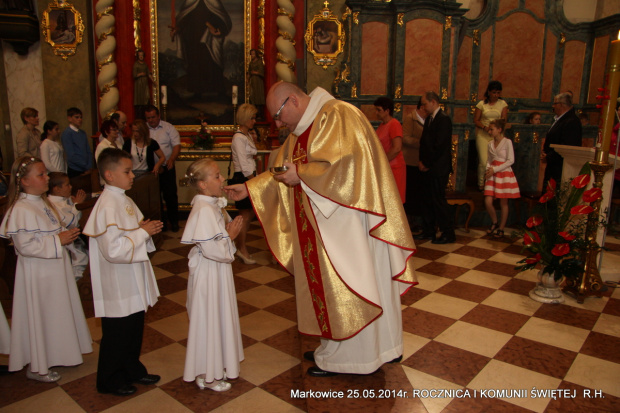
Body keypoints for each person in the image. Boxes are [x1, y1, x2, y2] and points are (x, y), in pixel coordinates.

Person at [225, 81, 417, 377]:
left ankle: (353, 357)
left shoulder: (339, 114)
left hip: (348, 225)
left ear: (292, 100)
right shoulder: (306, 127)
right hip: (328, 224)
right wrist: (249, 189)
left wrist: (301, 173)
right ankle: (378, 347)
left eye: (278, 115)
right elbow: (282, 168)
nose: (278, 123)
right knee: (352, 284)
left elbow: (348, 167)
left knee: (353, 283)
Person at [0, 156, 92, 382]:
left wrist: (64, 237)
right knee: (40, 315)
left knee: (56, 312)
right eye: (41, 174)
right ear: (25, 181)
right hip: (37, 273)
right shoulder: (21, 208)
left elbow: (53, 230)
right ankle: (37, 365)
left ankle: (57, 353)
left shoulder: (42, 202)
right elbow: (25, 246)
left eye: (46, 173)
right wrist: (57, 240)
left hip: (54, 268)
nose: (47, 178)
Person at [83, 148, 163, 396]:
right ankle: (109, 379)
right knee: (117, 333)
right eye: (127, 171)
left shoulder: (125, 199)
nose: (132, 176)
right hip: (117, 281)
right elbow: (113, 250)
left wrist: (144, 231)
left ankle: (132, 368)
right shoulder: (107, 206)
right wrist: (142, 232)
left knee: (134, 327)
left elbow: (134, 233)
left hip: (131, 278)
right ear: (109, 174)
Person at [181, 158, 244, 391]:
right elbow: (212, 248)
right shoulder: (204, 210)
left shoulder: (212, 205)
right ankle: (208, 374)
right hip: (209, 272)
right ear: (203, 185)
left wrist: (228, 234)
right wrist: (231, 237)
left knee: (216, 316)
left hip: (216, 271)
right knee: (208, 318)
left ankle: (213, 368)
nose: (222, 179)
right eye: (216, 176)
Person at [417, 91, 455, 244]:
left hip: (438, 168)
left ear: (433, 102)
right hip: (428, 166)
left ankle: (448, 233)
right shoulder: (429, 119)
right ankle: (429, 230)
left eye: (425, 104)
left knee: (439, 200)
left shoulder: (443, 120)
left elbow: (440, 146)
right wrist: (421, 161)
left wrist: (426, 163)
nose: (423, 107)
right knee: (427, 200)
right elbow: (424, 143)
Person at [174, 0, 232, 98]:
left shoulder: (214, 2)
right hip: (194, 43)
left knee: (213, 64)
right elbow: (185, 18)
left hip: (209, 40)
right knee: (196, 65)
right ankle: (197, 91)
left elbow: (222, 18)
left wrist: (219, 30)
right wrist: (178, 28)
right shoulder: (191, 2)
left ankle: (219, 90)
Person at [145, 105, 181, 232]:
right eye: (148, 118)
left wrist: (172, 158)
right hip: (150, 170)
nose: (151, 120)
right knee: (155, 198)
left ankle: (174, 222)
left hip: (167, 167)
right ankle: (161, 223)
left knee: (170, 196)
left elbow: (176, 145)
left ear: (158, 116)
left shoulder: (168, 127)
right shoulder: (144, 129)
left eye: (153, 117)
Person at [230, 103, 258, 264]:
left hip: (249, 177)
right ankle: (241, 249)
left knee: (249, 215)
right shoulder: (239, 138)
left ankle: (239, 246)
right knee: (245, 216)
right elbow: (244, 164)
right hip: (243, 178)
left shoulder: (246, 135)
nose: (254, 121)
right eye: (252, 118)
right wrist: (254, 180)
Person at [483, 119, 520, 238]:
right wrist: (488, 170)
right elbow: (489, 160)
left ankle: (502, 227)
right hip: (492, 174)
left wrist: (495, 169)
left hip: (504, 173)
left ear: (499, 130)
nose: (490, 131)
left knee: (503, 202)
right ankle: (494, 221)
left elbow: (511, 160)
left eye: (491, 129)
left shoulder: (507, 142)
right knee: (488, 201)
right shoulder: (490, 144)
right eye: (489, 129)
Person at [48, 172, 88, 280]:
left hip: (78, 241)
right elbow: (71, 223)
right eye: (67, 185)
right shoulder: (53, 204)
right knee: (77, 272)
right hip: (69, 246)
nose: (71, 187)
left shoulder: (65, 200)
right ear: (57, 189)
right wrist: (76, 205)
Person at [542, 92, 582, 186]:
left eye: (554, 103)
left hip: (561, 168)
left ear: (561, 105)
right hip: (553, 166)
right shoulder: (561, 119)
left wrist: (549, 156)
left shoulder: (571, 121)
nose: (553, 106)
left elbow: (567, 146)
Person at [474, 81, 508, 190]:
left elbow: (504, 119)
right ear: (489, 92)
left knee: (496, 160)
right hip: (483, 134)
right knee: (484, 161)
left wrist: (496, 127)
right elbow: (476, 120)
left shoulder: (503, 104)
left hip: (496, 136)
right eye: (494, 92)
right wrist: (485, 127)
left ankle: (493, 183)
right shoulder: (481, 104)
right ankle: (481, 183)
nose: (496, 95)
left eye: (498, 93)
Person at [374, 96, 406, 204]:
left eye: (379, 110)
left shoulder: (394, 124)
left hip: (394, 168)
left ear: (387, 111)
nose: (376, 113)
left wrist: (383, 161)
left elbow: (397, 148)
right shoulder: (382, 125)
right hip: (386, 167)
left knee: (393, 201)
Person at [402, 100, 427, 230]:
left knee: (419, 192)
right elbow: (405, 137)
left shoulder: (428, 119)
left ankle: (419, 220)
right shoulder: (410, 118)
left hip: (421, 161)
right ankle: (411, 221)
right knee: (411, 192)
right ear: (422, 107)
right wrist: (422, 142)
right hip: (410, 160)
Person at [61, 107, 93, 178]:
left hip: (86, 168)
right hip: (75, 169)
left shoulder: (82, 133)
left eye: (81, 117)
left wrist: (89, 166)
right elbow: (71, 155)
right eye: (77, 117)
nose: (80, 119)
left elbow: (88, 150)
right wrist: (85, 165)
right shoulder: (67, 133)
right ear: (69, 118)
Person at [133, 50, 152, 118]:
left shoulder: (145, 64)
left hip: (145, 83)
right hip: (139, 83)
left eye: (142, 55)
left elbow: (148, 73)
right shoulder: (136, 64)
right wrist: (141, 74)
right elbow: (134, 75)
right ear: (138, 56)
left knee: (146, 98)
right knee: (140, 100)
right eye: (140, 55)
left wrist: (153, 81)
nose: (141, 57)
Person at [248, 49, 265, 117]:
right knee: (253, 96)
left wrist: (255, 72)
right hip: (252, 81)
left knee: (258, 96)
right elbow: (249, 72)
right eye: (251, 54)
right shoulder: (251, 63)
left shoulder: (259, 62)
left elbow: (261, 72)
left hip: (258, 81)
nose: (252, 55)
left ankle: (260, 113)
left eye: (253, 54)